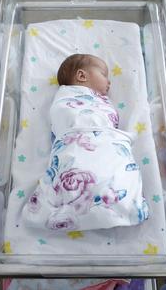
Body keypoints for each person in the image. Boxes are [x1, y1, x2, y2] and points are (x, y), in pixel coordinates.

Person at [22, 54, 148, 231]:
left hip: (105, 142)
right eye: (104, 75)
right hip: (77, 138)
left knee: (112, 171)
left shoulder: (97, 99)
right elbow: (67, 115)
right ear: (82, 76)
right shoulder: (67, 98)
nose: (109, 82)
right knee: (77, 170)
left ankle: (109, 205)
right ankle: (120, 207)